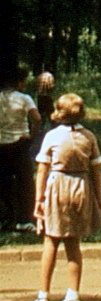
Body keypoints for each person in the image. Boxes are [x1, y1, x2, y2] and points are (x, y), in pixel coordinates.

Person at [31, 93, 101, 301]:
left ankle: (43, 295)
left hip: (57, 186)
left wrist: (39, 199)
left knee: (51, 241)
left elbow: (43, 169)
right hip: (81, 186)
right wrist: (99, 198)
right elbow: (97, 170)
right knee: (74, 243)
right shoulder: (89, 137)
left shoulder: (52, 137)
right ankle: (73, 295)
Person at [0, 66, 41, 229]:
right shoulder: (24, 98)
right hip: (20, 143)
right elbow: (36, 118)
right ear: (19, 82)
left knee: (4, 182)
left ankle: (5, 217)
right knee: (25, 182)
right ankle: (24, 219)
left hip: (1, 144)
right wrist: (32, 135)